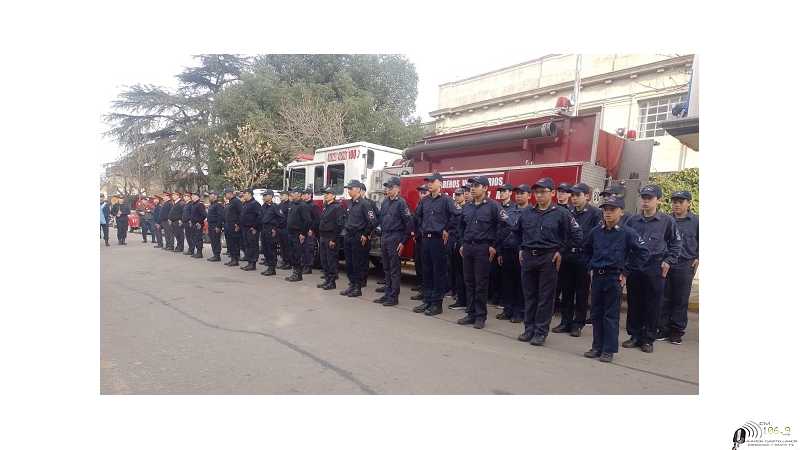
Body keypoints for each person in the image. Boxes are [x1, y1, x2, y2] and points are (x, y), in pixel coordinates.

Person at [512, 177, 583, 346]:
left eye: (543, 192)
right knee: (529, 295)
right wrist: (521, 248)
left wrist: (561, 251)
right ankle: (529, 329)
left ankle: (540, 332)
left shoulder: (562, 213)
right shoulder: (527, 213)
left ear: (552, 193)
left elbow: (577, 235)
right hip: (529, 257)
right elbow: (516, 232)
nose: (539, 195)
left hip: (548, 258)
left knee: (545, 298)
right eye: (536, 192)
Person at [582, 196, 649, 362]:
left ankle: (608, 350)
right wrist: (590, 266)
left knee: (610, 316)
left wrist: (626, 272)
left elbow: (643, 252)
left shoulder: (627, 233)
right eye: (605, 209)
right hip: (597, 277)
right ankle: (597, 346)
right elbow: (586, 250)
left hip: (614, 278)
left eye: (612, 209)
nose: (608, 213)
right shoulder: (596, 232)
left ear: (621, 212)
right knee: (596, 313)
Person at [623, 184, 682, 353]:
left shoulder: (667, 221)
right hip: (635, 266)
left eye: (649, 198)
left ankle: (648, 339)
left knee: (653, 304)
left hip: (655, 266)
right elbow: (625, 242)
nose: (645, 201)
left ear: (659, 200)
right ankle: (634, 335)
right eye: (643, 198)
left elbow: (676, 243)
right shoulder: (632, 220)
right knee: (634, 302)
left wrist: (668, 261)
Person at [553, 182, 602, 337]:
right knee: (566, 290)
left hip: (583, 257)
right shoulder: (567, 212)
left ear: (586, 196)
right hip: (568, 256)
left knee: (581, 293)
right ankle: (565, 321)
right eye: (572, 195)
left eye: (577, 195)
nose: (574, 198)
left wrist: (592, 259)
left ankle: (578, 323)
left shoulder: (595, 213)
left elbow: (597, 237)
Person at [457, 175, 504, 329]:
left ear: (485, 188)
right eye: (471, 185)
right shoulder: (468, 206)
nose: (472, 188)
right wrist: (463, 242)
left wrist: (494, 245)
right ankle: (470, 313)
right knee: (469, 282)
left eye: (476, 185)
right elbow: (461, 226)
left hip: (483, 248)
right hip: (468, 248)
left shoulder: (493, 206)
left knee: (481, 284)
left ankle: (480, 316)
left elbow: (503, 226)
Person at [413, 173, 460, 316]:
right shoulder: (425, 200)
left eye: (432, 181)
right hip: (426, 239)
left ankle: (436, 304)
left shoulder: (446, 200)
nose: (429, 184)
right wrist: (421, 230)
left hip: (438, 240)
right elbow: (417, 216)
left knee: (438, 273)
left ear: (440, 183)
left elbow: (457, 215)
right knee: (426, 271)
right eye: (428, 181)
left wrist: (448, 229)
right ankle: (427, 301)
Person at [658, 190, 698, 345]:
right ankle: (663, 328)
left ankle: (676, 331)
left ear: (688, 203)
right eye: (674, 202)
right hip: (667, 263)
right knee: (664, 297)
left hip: (685, 264)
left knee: (680, 298)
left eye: (680, 202)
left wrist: (698, 257)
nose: (677, 205)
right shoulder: (665, 220)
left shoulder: (696, 222)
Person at [374, 177, 413, 307]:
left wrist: (403, 241)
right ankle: (387, 293)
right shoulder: (385, 202)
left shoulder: (401, 203)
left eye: (390, 187)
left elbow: (408, 223)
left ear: (397, 188)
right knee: (386, 268)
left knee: (394, 269)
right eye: (387, 187)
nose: (388, 190)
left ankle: (393, 297)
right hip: (385, 236)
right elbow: (381, 219)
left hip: (395, 237)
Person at [339, 180, 377, 297]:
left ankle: (357, 288)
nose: (348, 191)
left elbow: (373, 221)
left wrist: (365, 234)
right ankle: (352, 285)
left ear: (358, 189)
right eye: (348, 189)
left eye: (350, 189)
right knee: (349, 263)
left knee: (357, 263)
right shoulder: (350, 203)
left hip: (358, 236)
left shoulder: (365, 204)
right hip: (348, 235)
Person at [496, 184, 527, 322]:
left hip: (521, 253)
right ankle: (507, 309)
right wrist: (500, 252)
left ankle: (519, 312)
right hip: (507, 250)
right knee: (507, 282)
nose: (518, 195)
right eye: (517, 193)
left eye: (522, 193)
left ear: (528, 195)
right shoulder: (509, 210)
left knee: (520, 283)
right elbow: (501, 231)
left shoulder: (531, 212)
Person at [317, 186, 345, 290]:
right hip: (323, 236)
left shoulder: (337, 207)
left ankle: (332, 282)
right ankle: (327, 280)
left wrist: (333, 239)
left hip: (330, 237)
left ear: (333, 195)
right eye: (325, 193)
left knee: (331, 260)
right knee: (324, 260)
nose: (325, 195)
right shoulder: (326, 206)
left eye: (328, 194)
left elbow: (339, 225)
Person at [285, 187, 313, 282]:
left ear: (299, 194)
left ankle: (298, 274)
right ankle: (295, 272)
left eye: (294, 192)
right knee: (292, 254)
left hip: (298, 233)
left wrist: (303, 233)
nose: (292, 194)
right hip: (291, 233)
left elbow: (307, 221)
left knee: (297, 254)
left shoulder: (303, 205)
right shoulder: (292, 204)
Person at [447, 187, 467, 310]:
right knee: (454, 270)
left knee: (462, 273)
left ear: (464, 195)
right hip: (453, 242)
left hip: (461, 243)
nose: (457, 197)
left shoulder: (466, 209)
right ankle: (456, 294)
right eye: (456, 195)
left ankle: (463, 299)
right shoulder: (455, 209)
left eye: (459, 195)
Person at [409, 184, 429, 301]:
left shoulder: (429, 205)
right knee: (418, 263)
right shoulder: (419, 204)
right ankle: (421, 284)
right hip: (418, 239)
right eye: (420, 192)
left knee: (426, 266)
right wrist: (413, 232)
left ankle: (425, 290)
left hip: (426, 239)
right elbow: (414, 220)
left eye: (424, 192)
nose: (421, 194)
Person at [259, 189, 283, 276]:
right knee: (265, 249)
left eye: (265, 195)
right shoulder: (263, 206)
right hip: (264, 229)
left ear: (271, 196)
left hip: (271, 230)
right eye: (263, 196)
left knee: (271, 250)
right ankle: (269, 266)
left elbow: (281, 218)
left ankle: (272, 268)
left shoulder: (275, 206)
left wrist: (275, 228)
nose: (264, 197)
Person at [239, 189, 261, 271]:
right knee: (247, 245)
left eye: (244, 194)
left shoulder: (255, 204)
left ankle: (252, 263)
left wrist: (255, 227)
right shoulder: (245, 203)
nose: (243, 195)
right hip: (245, 228)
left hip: (252, 229)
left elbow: (259, 217)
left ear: (249, 194)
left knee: (253, 246)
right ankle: (249, 262)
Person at [302, 188, 321, 274]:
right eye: (303, 194)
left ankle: (308, 267)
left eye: (305, 194)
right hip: (303, 230)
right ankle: (304, 265)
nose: (304, 195)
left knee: (308, 249)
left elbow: (317, 220)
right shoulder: (303, 205)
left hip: (310, 231)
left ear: (310, 195)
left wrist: (312, 229)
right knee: (303, 249)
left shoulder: (313, 206)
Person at [223, 188, 243, 267]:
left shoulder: (236, 201)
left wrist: (238, 224)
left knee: (235, 243)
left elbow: (241, 213)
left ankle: (235, 260)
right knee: (231, 243)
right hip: (229, 225)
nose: (225, 195)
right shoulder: (231, 202)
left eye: (226, 194)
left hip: (234, 226)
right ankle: (232, 259)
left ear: (230, 193)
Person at [206, 192, 224, 262]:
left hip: (215, 225)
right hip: (211, 225)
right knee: (213, 241)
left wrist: (218, 226)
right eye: (210, 196)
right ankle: (215, 255)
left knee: (216, 240)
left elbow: (220, 216)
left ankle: (217, 255)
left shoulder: (218, 205)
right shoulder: (212, 205)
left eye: (211, 196)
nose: (210, 198)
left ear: (215, 197)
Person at [277, 191, 292, 270]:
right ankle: (284, 261)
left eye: (282, 195)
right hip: (280, 228)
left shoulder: (290, 205)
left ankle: (288, 262)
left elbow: (288, 218)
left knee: (287, 247)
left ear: (287, 196)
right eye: (280, 195)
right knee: (282, 246)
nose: (280, 196)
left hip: (286, 228)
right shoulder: (280, 205)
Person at [189, 192, 206, 258]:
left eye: (194, 196)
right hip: (194, 224)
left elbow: (204, 215)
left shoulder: (200, 204)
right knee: (195, 238)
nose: (192, 197)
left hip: (198, 224)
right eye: (192, 196)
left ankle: (199, 253)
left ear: (198, 197)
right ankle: (197, 252)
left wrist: (199, 221)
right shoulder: (193, 204)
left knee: (198, 238)